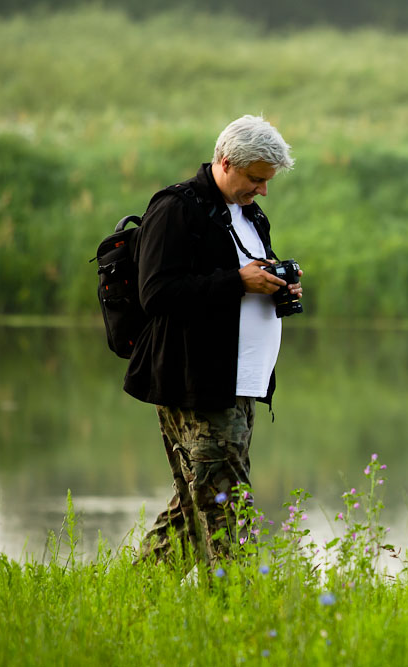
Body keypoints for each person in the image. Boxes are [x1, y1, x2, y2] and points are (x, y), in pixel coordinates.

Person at [125, 115, 301, 566]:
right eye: (256, 179)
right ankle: (234, 609)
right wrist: (237, 283)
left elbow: (243, 280)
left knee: (194, 508)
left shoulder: (248, 213)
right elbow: (156, 293)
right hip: (197, 383)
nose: (263, 190)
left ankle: (137, 594)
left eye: (267, 182)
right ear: (226, 161)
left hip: (240, 383)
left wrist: (277, 286)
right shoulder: (177, 208)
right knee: (227, 510)